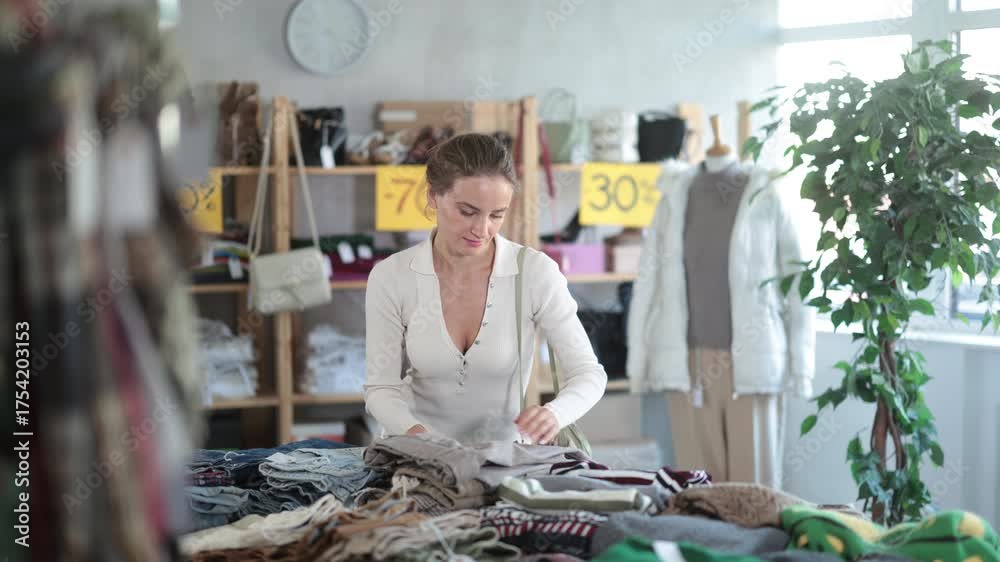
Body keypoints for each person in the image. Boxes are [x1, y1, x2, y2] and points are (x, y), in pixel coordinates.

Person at [363, 133, 607, 444]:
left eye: (497, 215)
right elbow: (380, 388)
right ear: (433, 197)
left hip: (504, 459)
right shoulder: (391, 276)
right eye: (467, 212)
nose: (482, 230)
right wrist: (420, 437)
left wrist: (555, 414)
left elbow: (589, 373)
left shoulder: (534, 273)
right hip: (416, 456)